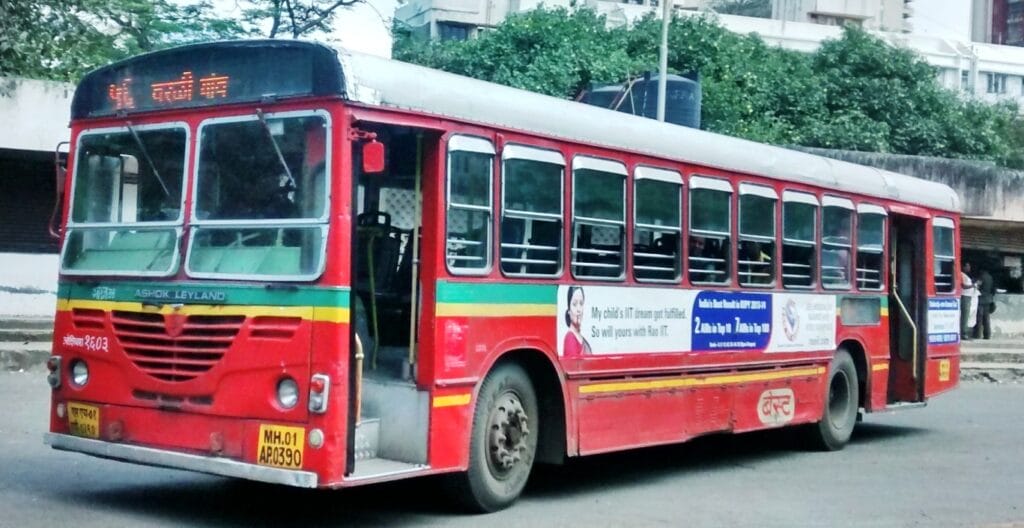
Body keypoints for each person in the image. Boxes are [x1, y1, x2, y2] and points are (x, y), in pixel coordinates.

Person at [562, 286, 592, 358]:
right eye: (574, 304)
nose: (579, 310)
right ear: (569, 310)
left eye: (581, 304)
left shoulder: (580, 337)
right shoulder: (570, 338)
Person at [973, 267, 996, 340]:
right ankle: (987, 335)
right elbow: (993, 289)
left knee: (979, 318)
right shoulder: (990, 277)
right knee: (986, 319)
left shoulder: (981, 277)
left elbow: (977, 286)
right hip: (988, 300)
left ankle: (977, 334)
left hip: (981, 300)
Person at [960, 263, 977, 340]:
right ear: (963, 267)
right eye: (967, 266)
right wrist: (973, 285)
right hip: (964, 297)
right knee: (965, 316)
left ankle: (964, 332)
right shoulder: (961, 274)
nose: (969, 268)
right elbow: (963, 285)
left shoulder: (966, 276)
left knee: (966, 316)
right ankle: (964, 333)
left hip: (968, 297)